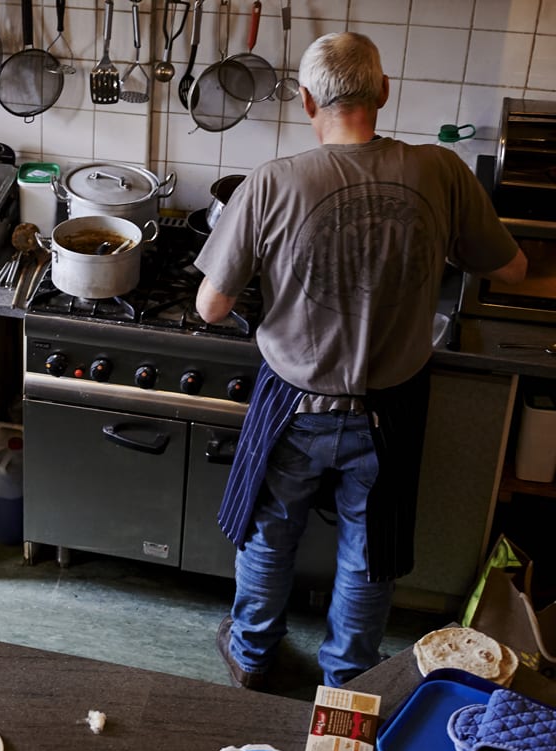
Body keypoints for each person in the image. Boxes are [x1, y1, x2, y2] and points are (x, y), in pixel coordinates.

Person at [195, 32, 527, 689]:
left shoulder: (272, 183)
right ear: (382, 92)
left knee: (271, 533)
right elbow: (512, 266)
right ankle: (349, 679)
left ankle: (254, 655)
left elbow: (211, 306)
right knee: (368, 554)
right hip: (389, 409)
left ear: (307, 99)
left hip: (294, 403)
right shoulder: (441, 172)